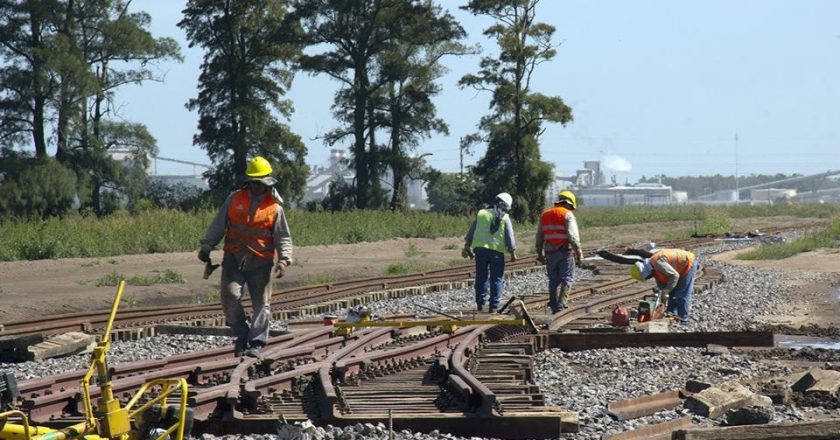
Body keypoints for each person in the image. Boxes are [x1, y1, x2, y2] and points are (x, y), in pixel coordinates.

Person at [198, 156, 293, 357]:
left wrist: (284, 260)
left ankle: (256, 342)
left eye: (260, 182)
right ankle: (241, 333)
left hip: (261, 262)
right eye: (254, 181)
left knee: (261, 303)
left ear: (267, 182)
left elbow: (282, 236)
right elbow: (219, 224)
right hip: (233, 258)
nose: (256, 185)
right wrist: (207, 245)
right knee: (230, 296)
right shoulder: (234, 199)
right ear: (249, 181)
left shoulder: (275, 208)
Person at [462, 192, 517, 313]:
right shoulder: (505, 217)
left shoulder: (481, 213)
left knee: (481, 276)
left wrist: (467, 245)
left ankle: (480, 304)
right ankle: (494, 307)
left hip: (480, 250)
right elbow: (509, 236)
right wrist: (512, 252)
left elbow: (471, 231)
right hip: (496, 252)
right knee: (496, 278)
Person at [535, 190, 583, 313]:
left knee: (553, 280)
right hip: (565, 252)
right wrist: (579, 254)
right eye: (571, 207)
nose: (571, 210)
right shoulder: (567, 215)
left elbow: (539, 237)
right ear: (568, 203)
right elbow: (573, 237)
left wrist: (539, 253)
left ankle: (554, 304)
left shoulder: (545, 215)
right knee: (567, 278)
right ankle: (562, 303)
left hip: (550, 253)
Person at [630, 248, 699, 325]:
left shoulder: (658, 263)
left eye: (647, 277)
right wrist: (662, 295)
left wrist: (666, 291)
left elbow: (674, 276)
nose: (648, 278)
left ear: (647, 272)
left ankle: (683, 320)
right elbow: (662, 284)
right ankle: (671, 315)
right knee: (671, 293)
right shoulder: (652, 268)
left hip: (688, 264)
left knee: (681, 294)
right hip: (679, 267)